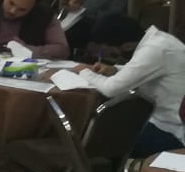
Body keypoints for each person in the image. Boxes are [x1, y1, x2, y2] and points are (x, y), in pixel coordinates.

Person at [66, 14, 185, 158]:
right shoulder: (157, 41)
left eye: (111, 52)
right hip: (157, 119)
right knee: (101, 128)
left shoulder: (155, 49)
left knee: (99, 138)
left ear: (127, 46)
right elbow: (145, 69)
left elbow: (111, 89)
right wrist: (115, 69)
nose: (110, 56)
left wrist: (84, 72)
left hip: (171, 130)